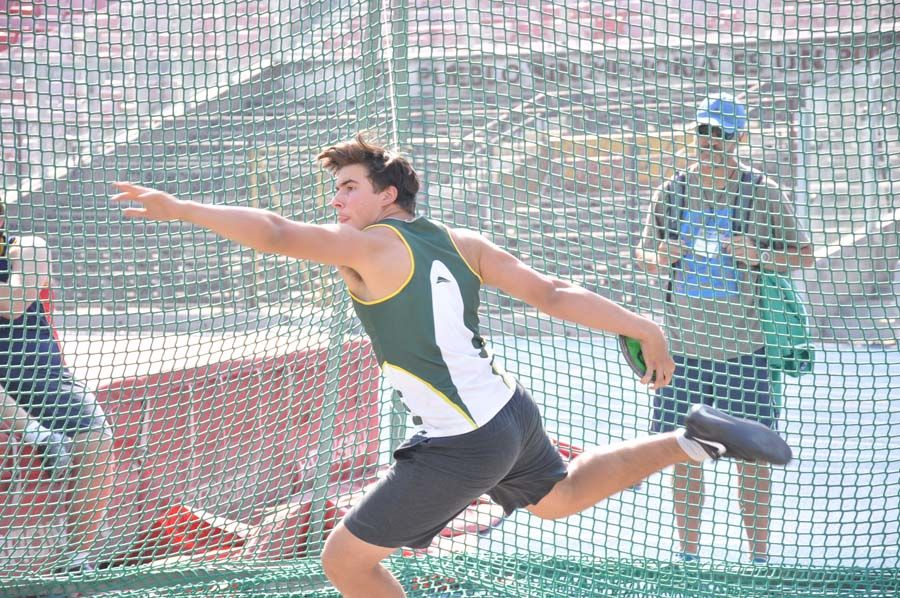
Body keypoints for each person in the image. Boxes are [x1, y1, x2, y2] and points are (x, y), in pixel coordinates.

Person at [112, 133, 793, 598]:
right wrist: (641, 323)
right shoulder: (461, 241)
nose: (337, 202)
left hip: (463, 439)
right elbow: (552, 294)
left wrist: (181, 209)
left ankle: (688, 439)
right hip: (510, 414)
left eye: (348, 187)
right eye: (335, 192)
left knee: (344, 561)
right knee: (560, 499)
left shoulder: (370, 247)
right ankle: (690, 439)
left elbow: (274, 231)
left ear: (388, 196)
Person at [634, 93, 815, 564]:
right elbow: (645, 254)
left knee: (753, 461)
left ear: (740, 138)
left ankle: (758, 560)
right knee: (683, 455)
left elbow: (804, 255)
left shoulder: (761, 191)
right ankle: (689, 557)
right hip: (683, 354)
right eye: (705, 131)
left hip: (745, 350)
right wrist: (660, 258)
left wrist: (760, 256)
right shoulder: (672, 191)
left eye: (722, 133)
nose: (712, 141)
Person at [0, 204, 117, 571]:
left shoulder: (27, 247)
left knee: (97, 438)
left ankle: (76, 559)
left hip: (40, 375)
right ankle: (41, 437)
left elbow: (15, 301)